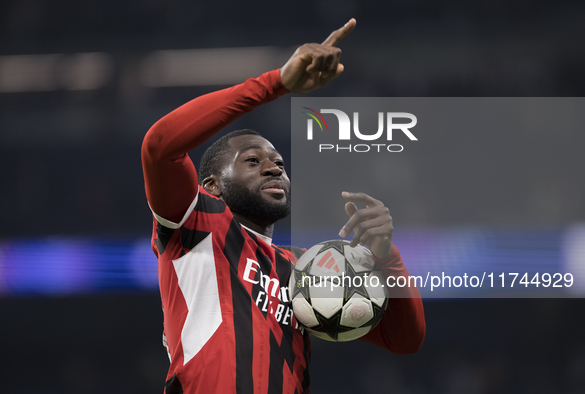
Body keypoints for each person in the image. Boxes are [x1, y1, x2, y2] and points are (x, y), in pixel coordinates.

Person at [141, 18, 425, 394]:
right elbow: (160, 147)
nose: (274, 166)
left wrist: (389, 259)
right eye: (253, 161)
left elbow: (403, 339)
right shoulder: (194, 224)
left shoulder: (303, 271)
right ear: (211, 186)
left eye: (279, 163)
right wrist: (275, 85)